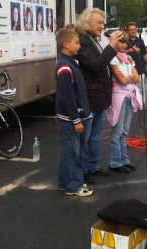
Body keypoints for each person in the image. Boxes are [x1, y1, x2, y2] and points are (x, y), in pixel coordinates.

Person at [75, 8, 123, 184]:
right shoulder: (82, 41)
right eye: (99, 23)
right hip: (89, 97)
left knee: (96, 136)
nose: (102, 26)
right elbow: (96, 65)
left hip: (99, 97)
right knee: (85, 137)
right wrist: (111, 46)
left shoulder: (92, 40)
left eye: (103, 23)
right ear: (88, 22)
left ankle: (93, 166)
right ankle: (83, 170)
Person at [55, 29, 93, 197]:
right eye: (76, 42)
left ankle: (65, 182)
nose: (79, 45)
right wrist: (76, 120)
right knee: (73, 152)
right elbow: (66, 97)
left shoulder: (70, 62)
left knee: (68, 151)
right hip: (72, 118)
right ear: (66, 44)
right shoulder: (64, 66)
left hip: (75, 116)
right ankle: (74, 186)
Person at [104, 32, 142, 173]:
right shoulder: (113, 59)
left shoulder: (129, 58)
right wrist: (130, 77)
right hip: (118, 97)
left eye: (125, 42)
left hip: (128, 96)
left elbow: (137, 78)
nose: (125, 45)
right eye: (121, 42)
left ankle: (124, 160)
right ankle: (115, 162)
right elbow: (123, 80)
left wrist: (129, 77)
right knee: (117, 130)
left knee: (124, 131)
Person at [125, 22, 147, 109]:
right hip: (128, 69)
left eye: (134, 29)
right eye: (131, 30)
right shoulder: (125, 41)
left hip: (141, 67)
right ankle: (133, 104)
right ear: (128, 31)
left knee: (141, 88)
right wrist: (130, 50)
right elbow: (120, 52)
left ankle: (142, 104)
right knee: (130, 88)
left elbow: (145, 54)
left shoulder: (140, 41)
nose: (133, 31)